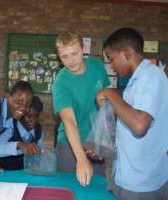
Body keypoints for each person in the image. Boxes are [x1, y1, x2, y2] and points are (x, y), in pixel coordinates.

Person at [96, 27, 168, 200]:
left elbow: (139, 125)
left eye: (112, 59)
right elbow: (128, 122)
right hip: (130, 172)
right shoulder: (136, 81)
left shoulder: (151, 77)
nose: (112, 65)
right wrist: (105, 145)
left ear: (126, 53)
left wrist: (110, 94)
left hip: (142, 180)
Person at [52, 31, 110, 186]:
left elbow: (106, 103)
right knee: (69, 189)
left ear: (83, 49)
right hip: (70, 145)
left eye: (74, 54)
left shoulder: (97, 67)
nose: (70, 61)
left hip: (96, 143)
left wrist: (103, 138)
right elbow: (69, 121)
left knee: (96, 188)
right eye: (64, 56)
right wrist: (81, 159)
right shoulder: (60, 82)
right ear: (59, 56)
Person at [0, 95, 44, 170]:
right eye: (29, 116)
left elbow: (40, 154)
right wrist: (19, 145)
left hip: (26, 174)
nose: (33, 121)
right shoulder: (10, 126)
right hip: (5, 172)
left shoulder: (38, 130)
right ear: (22, 113)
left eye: (36, 116)